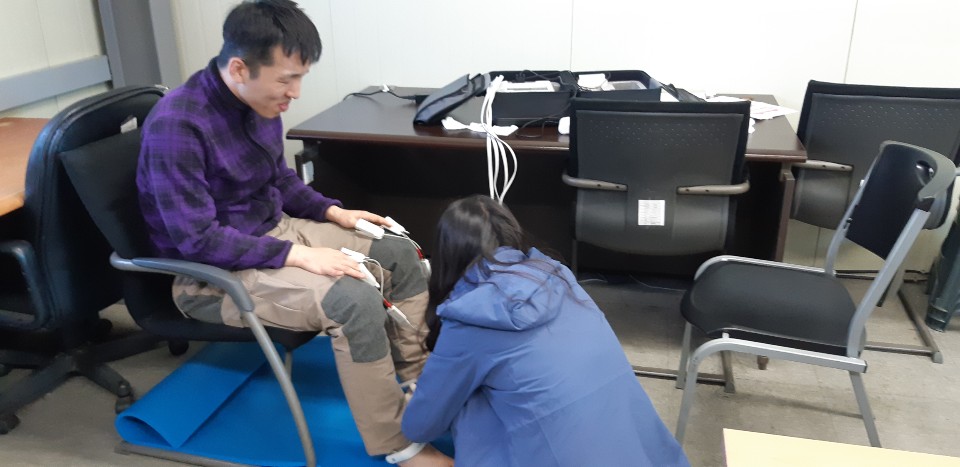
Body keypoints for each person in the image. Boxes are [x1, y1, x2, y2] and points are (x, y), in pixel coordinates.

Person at [136, 1, 452, 465]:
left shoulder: (260, 102)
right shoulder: (177, 125)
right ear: (239, 68)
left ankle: (418, 385)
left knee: (398, 250)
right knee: (352, 298)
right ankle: (396, 443)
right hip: (210, 276)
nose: (295, 93)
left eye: (300, 77)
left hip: (274, 233)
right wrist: (299, 256)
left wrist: (333, 212)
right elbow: (198, 240)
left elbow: (280, 179)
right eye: (287, 79)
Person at [401, 195, 690, 466]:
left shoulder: (470, 316)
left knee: (468, 401)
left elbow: (420, 426)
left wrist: (416, 398)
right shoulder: (559, 277)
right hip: (642, 453)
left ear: (447, 255)